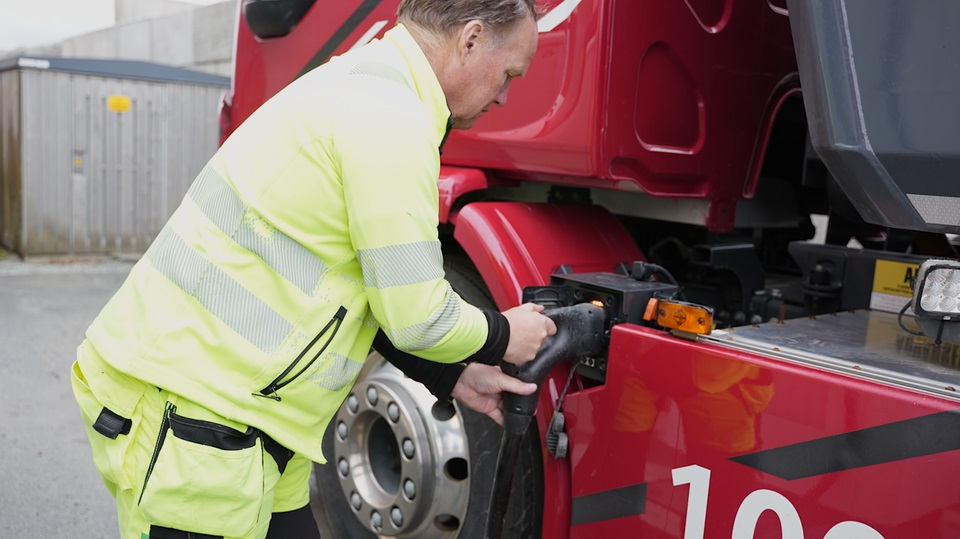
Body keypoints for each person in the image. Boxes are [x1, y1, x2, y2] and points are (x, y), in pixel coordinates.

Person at [69, 1, 554, 538]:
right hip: (194, 412)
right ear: (470, 38)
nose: (506, 96)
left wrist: (452, 375)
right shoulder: (391, 116)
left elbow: (360, 293)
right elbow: (416, 315)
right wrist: (508, 334)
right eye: (509, 73)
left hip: (254, 417)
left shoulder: (366, 81)